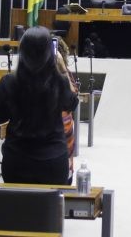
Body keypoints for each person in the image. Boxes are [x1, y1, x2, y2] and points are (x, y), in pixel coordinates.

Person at [0, 26, 78, 185]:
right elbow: (72, 104)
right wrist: (62, 68)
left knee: (17, 207)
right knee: (50, 208)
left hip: (16, 159)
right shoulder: (59, 81)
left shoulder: (8, 81)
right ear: (49, 52)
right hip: (53, 160)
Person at [55, 37, 79, 183]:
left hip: (65, 134)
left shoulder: (66, 74)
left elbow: (73, 100)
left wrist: (62, 68)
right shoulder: (36, 75)